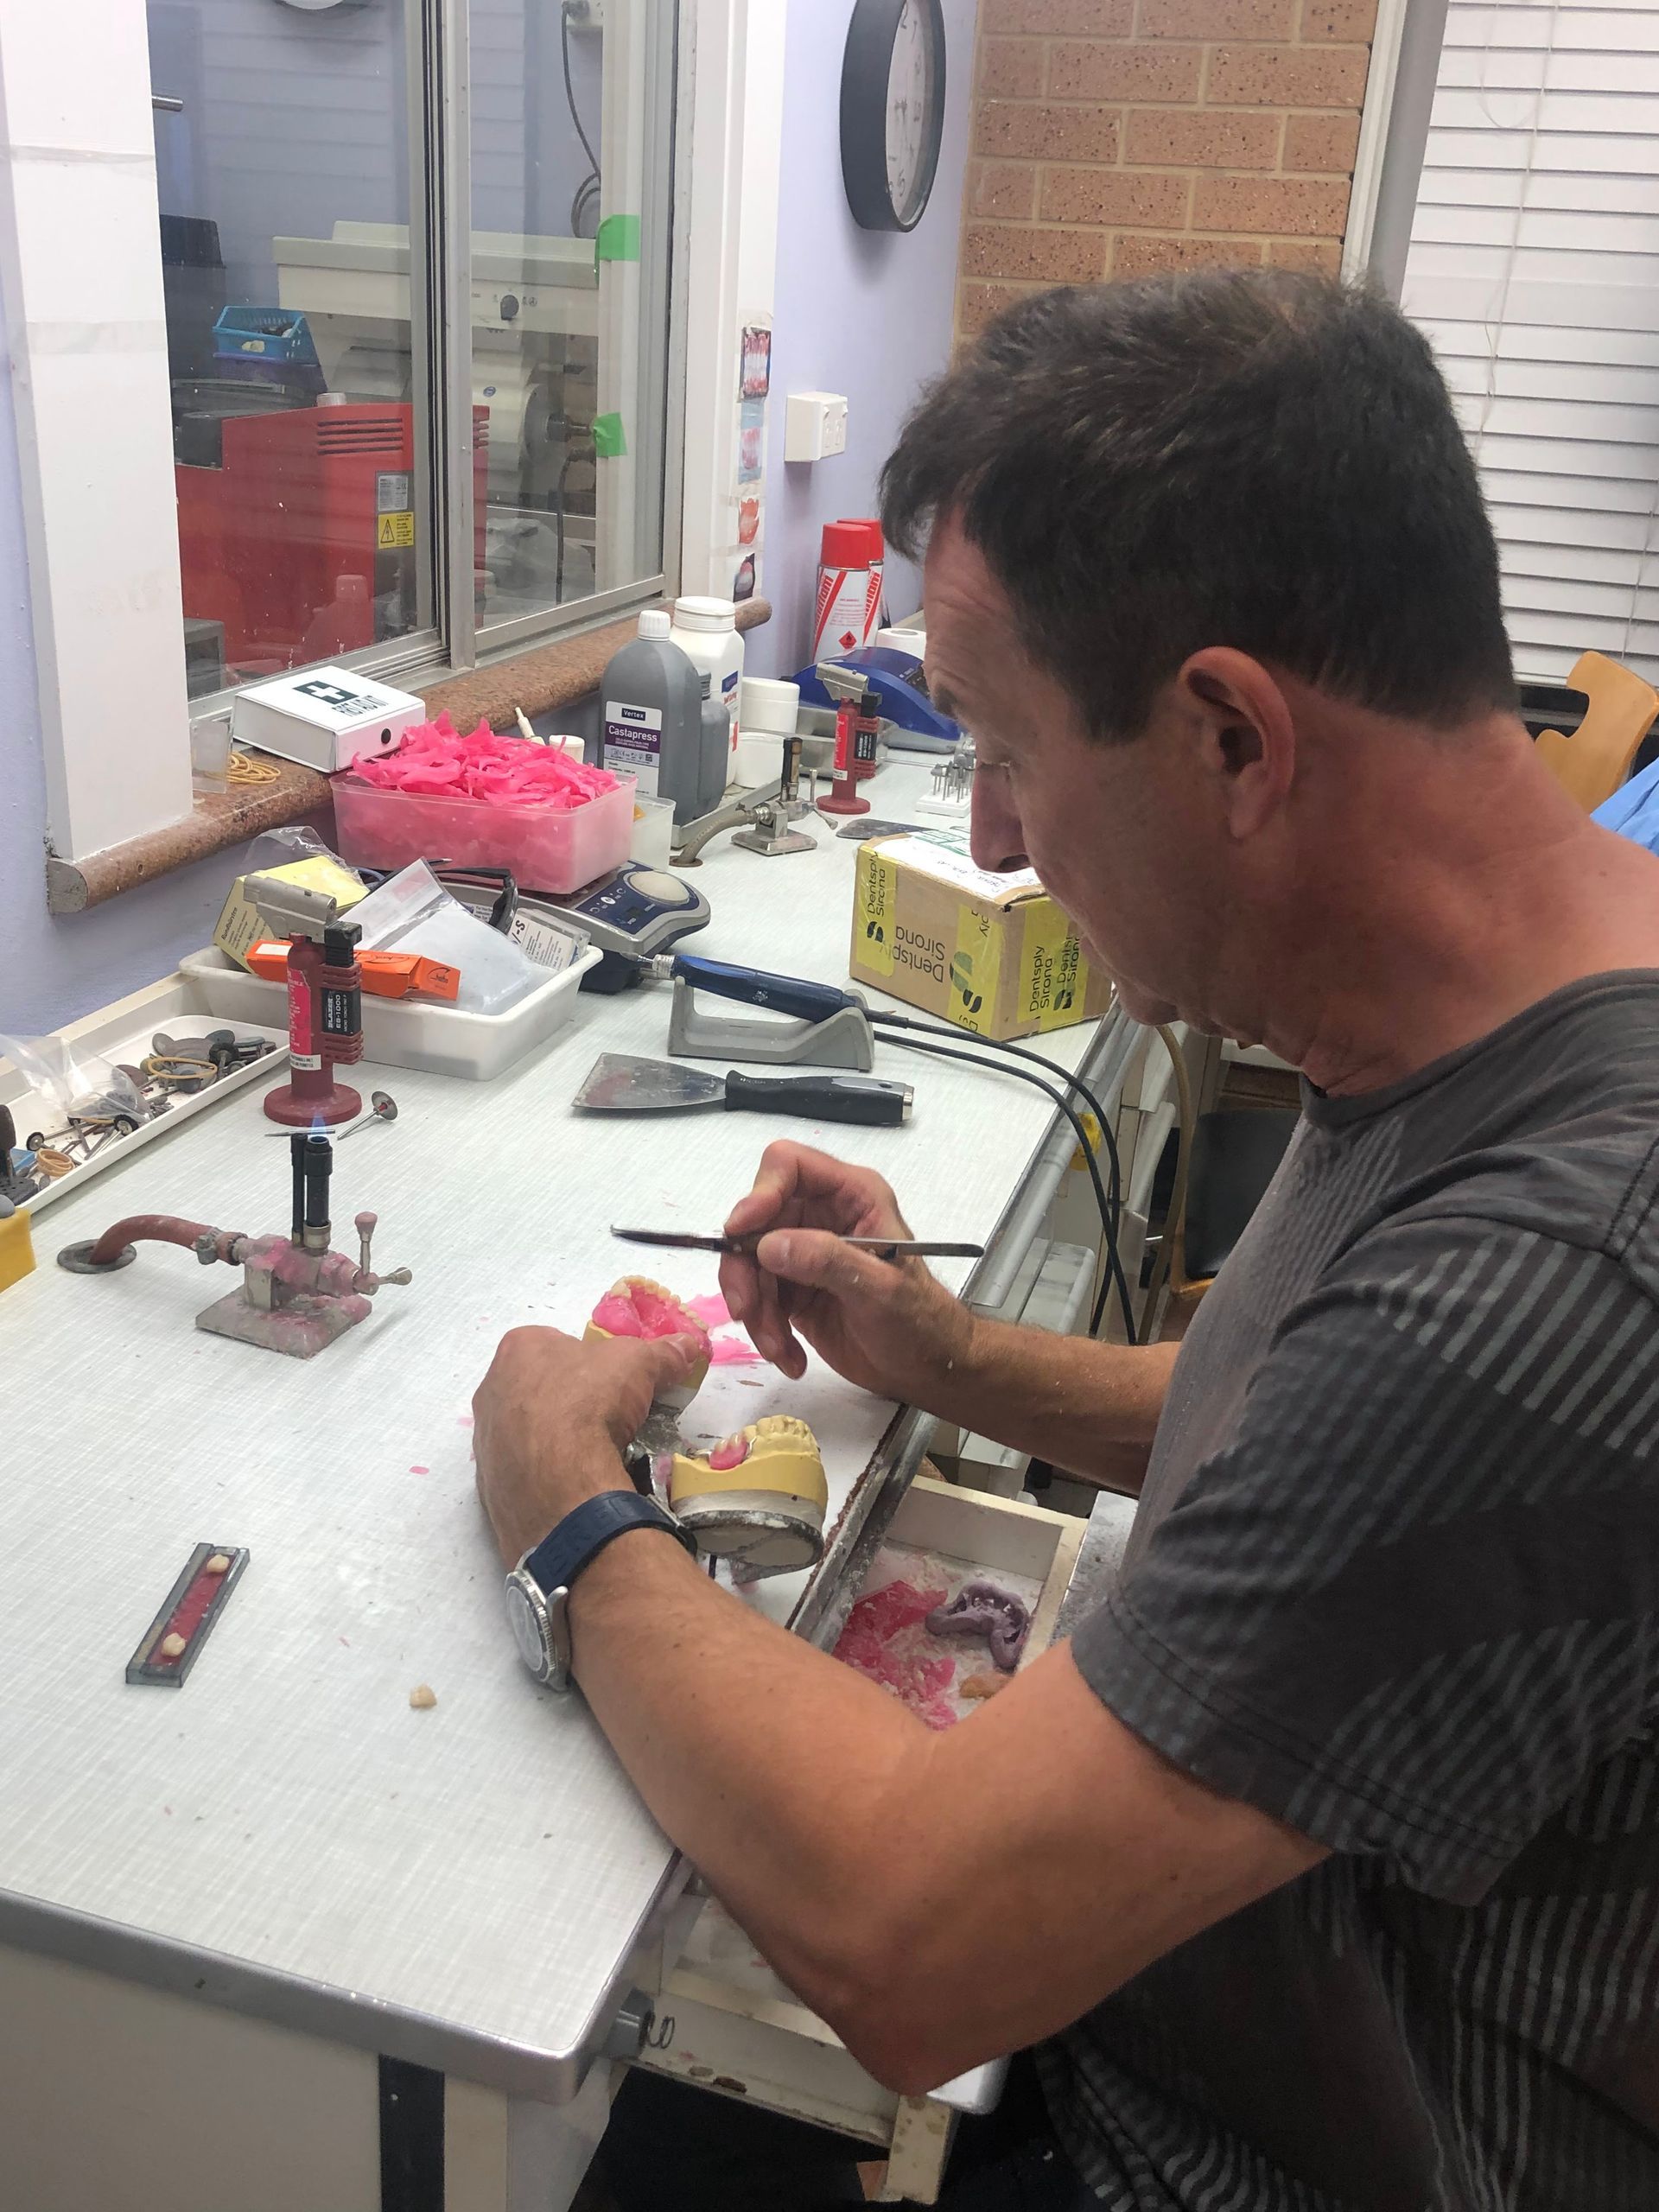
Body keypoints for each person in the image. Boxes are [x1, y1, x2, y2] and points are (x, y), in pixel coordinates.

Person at [474, 272, 1659, 2210]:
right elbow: (1299, 1411)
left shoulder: (1559, 1266)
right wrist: (950, 1360)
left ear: (1229, 741)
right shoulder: (1488, 1008)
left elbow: (908, 1941)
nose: (1001, 842)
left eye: (1006, 753)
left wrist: (568, 1510)